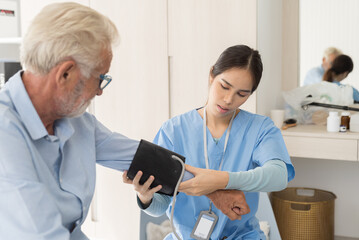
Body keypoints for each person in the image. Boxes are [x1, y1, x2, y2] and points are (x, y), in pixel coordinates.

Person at [0, 3, 249, 239]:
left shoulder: (78, 123)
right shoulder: (6, 133)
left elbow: (142, 158)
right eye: (101, 78)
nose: (100, 91)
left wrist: (215, 191)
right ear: (65, 73)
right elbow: (42, 233)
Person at [124, 45, 295, 239]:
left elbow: (279, 176)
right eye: (224, 86)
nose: (229, 99)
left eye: (242, 94)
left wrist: (222, 180)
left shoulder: (260, 129)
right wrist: (145, 197)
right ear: (212, 75)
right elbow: (160, 205)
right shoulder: (173, 130)